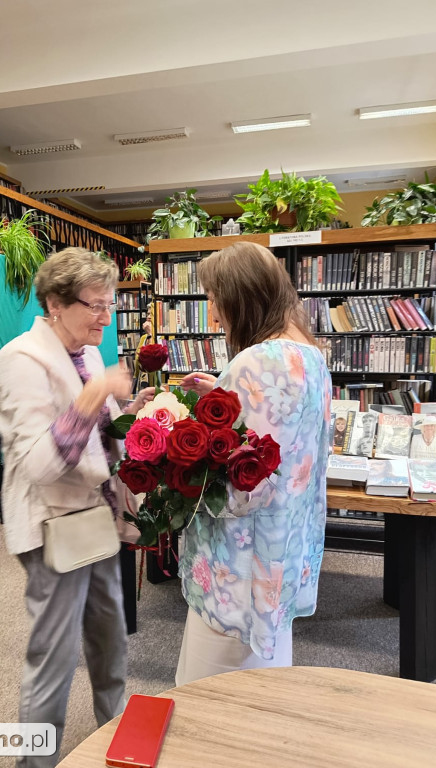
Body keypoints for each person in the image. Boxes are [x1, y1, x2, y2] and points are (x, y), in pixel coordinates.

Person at [0, 247, 155, 767]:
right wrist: (95, 396)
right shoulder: (21, 359)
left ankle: (115, 739)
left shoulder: (82, 355)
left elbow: (98, 437)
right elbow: (41, 463)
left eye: (111, 304)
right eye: (97, 305)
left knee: (110, 641)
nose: (107, 317)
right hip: (52, 529)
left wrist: (134, 411)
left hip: (94, 521)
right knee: (54, 658)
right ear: (56, 304)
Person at [175, 242, 331, 686]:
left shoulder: (256, 361)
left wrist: (181, 465)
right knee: (266, 683)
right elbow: (285, 446)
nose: (214, 316)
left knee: (213, 695)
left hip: (238, 568)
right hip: (281, 556)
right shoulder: (311, 356)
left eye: (215, 300)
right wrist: (222, 394)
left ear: (240, 295)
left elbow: (240, 489)